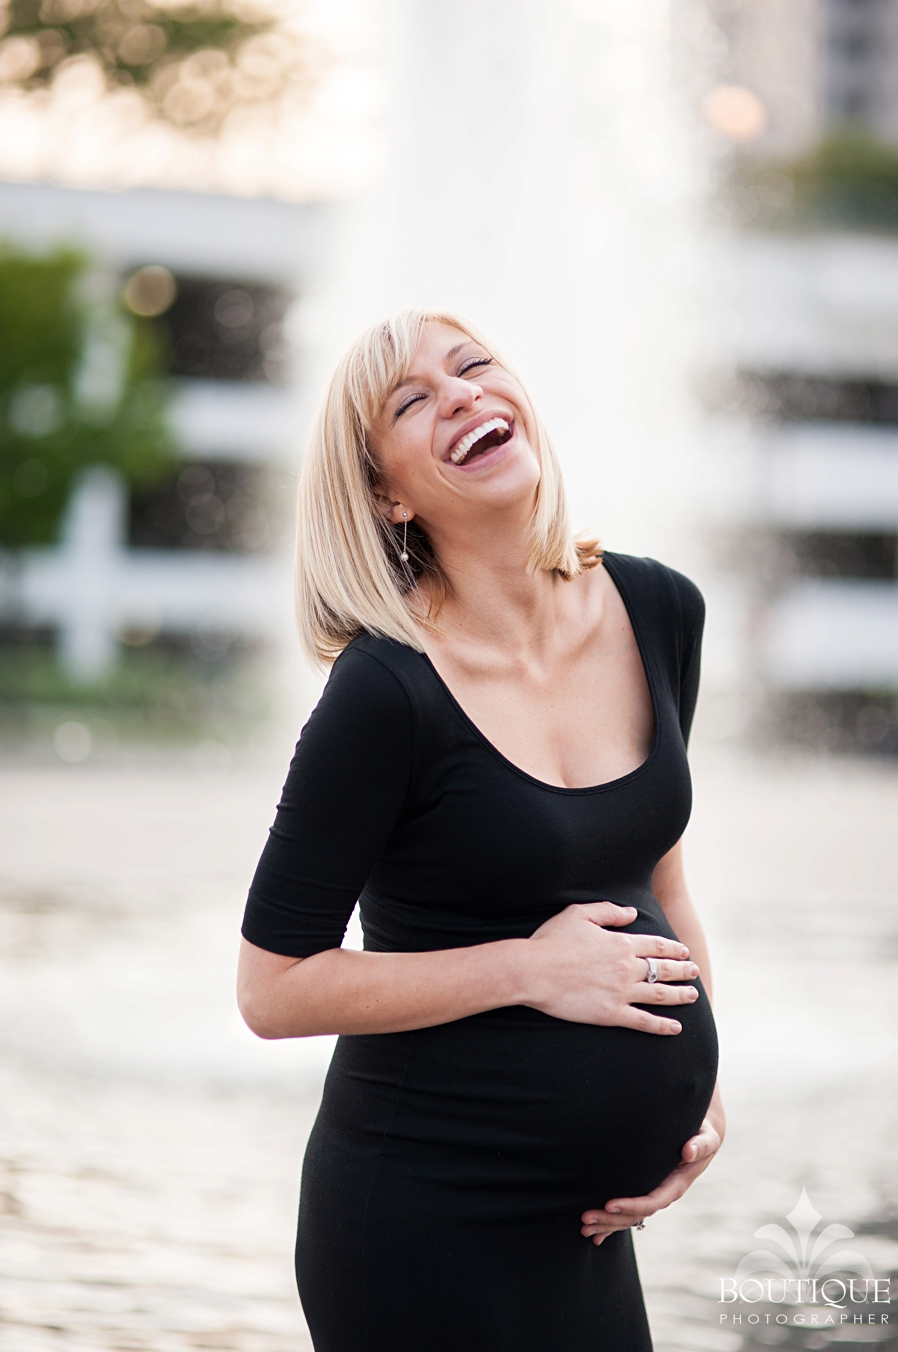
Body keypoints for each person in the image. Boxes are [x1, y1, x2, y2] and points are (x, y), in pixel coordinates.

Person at [237, 309, 724, 1352]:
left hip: (591, 1230)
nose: (460, 392)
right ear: (387, 493)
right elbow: (272, 987)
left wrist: (701, 1095)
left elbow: (661, 877)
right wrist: (524, 968)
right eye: (413, 401)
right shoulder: (384, 690)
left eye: (473, 366)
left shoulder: (659, 610)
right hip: (422, 1215)